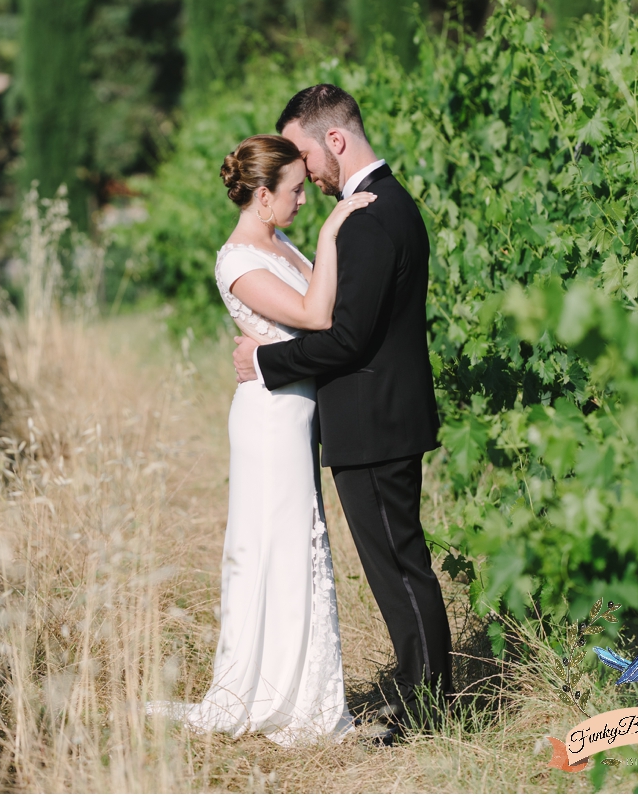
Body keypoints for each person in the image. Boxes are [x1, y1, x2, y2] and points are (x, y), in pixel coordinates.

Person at [232, 84, 451, 739]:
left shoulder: (367, 215)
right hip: (378, 416)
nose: (301, 171)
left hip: (375, 421)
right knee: (397, 565)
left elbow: (348, 337)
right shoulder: (385, 205)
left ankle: (426, 711)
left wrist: (264, 363)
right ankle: (420, 694)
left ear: (334, 139)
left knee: (398, 568)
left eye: (302, 152)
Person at [148, 132, 373, 747]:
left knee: (297, 546)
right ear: (262, 196)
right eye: (295, 191)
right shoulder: (238, 260)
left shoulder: (277, 240)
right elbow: (315, 316)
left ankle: (304, 687)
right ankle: (274, 693)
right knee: (273, 548)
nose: (304, 200)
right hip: (268, 418)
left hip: (296, 413)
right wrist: (331, 236)